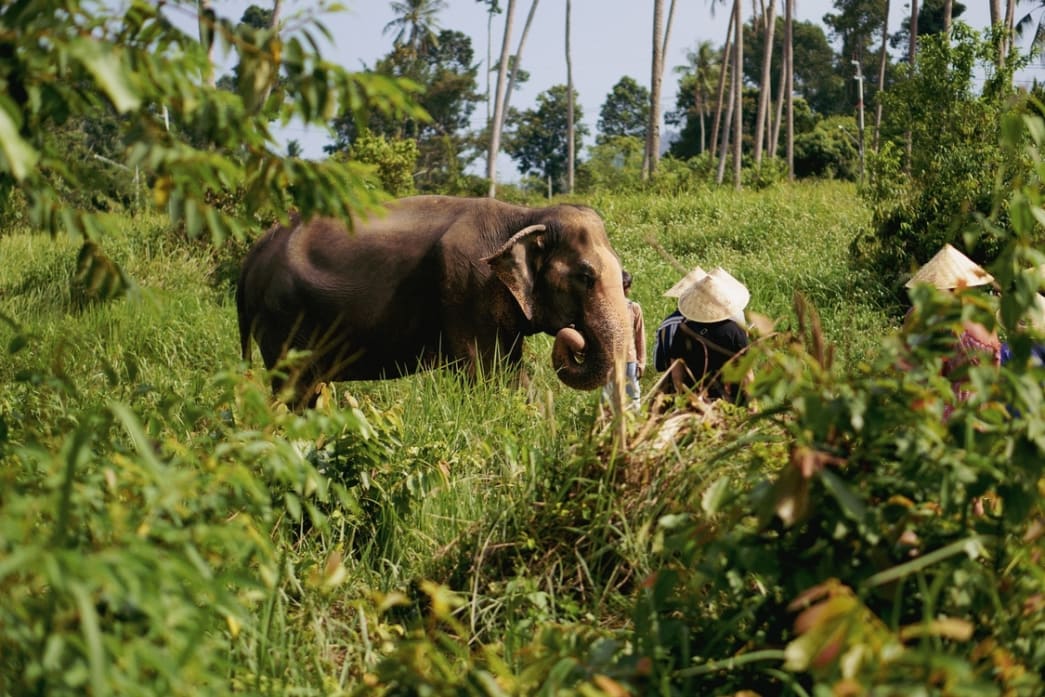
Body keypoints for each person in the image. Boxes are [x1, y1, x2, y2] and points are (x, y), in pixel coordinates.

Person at [904, 243, 1001, 419]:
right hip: (980, 408)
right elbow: (995, 369)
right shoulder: (984, 316)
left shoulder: (925, 316)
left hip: (943, 411)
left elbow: (923, 372)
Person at [665, 269, 751, 402]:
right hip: (730, 400)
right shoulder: (735, 331)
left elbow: (676, 372)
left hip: (695, 399)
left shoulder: (684, 329)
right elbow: (746, 373)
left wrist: (683, 397)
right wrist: (753, 402)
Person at [605, 270, 645, 408]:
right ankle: (609, 426)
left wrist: (641, 362)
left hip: (629, 360)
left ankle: (635, 428)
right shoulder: (604, 308)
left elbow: (640, 337)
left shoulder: (633, 308)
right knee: (608, 398)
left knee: (633, 397)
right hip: (610, 360)